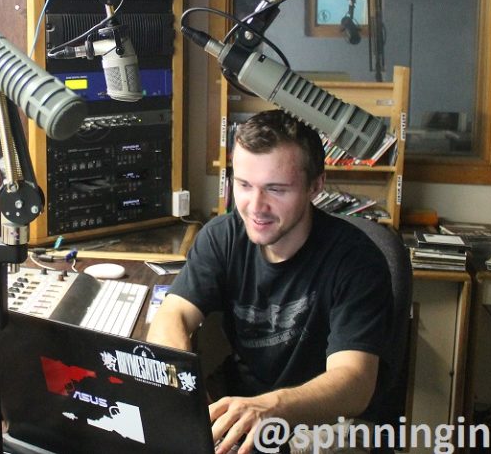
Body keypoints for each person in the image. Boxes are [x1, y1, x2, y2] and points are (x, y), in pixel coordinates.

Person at [147, 110, 392, 454]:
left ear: (316, 186)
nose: (255, 206)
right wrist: (183, 390)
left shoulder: (356, 261)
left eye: (276, 189)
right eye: (244, 186)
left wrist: (271, 407)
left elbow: (354, 383)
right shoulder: (222, 236)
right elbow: (172, 315)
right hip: (243, 405)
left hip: (328, 420)